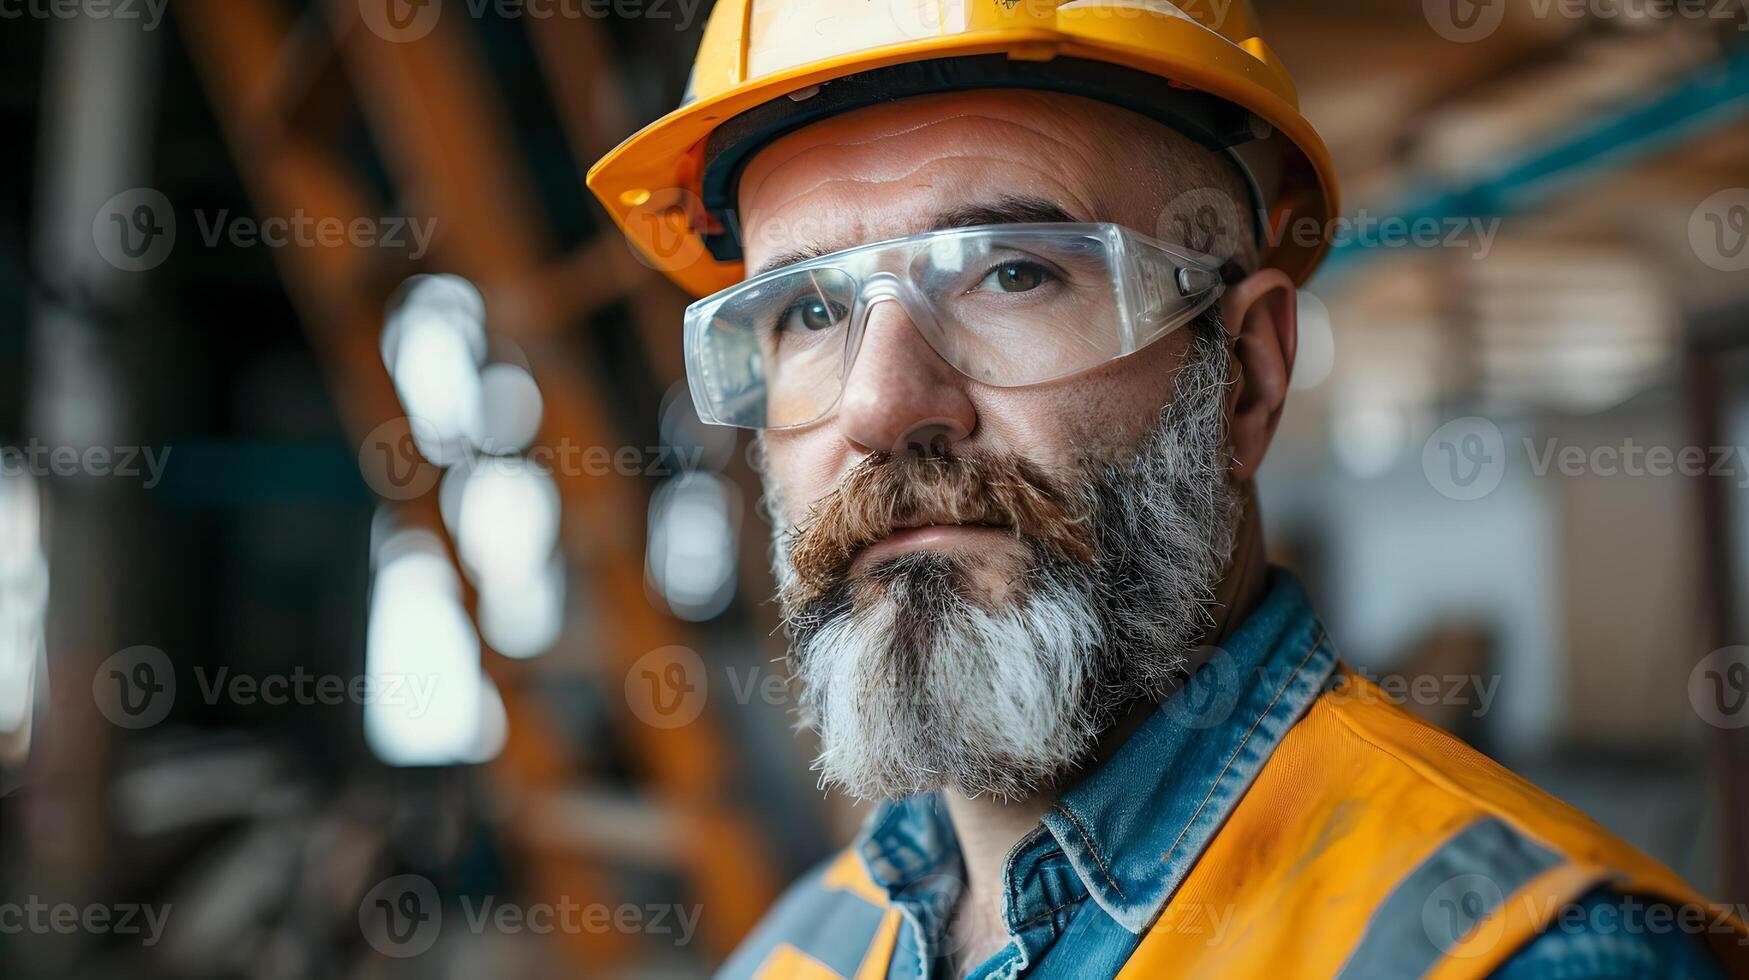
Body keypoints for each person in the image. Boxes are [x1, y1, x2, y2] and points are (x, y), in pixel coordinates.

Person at [589, 2, 1749, 976]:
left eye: (1012, 271)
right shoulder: (801, 949)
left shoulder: (1524, 956)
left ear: (1245, 374)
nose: (881, 406)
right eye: (812, 310)